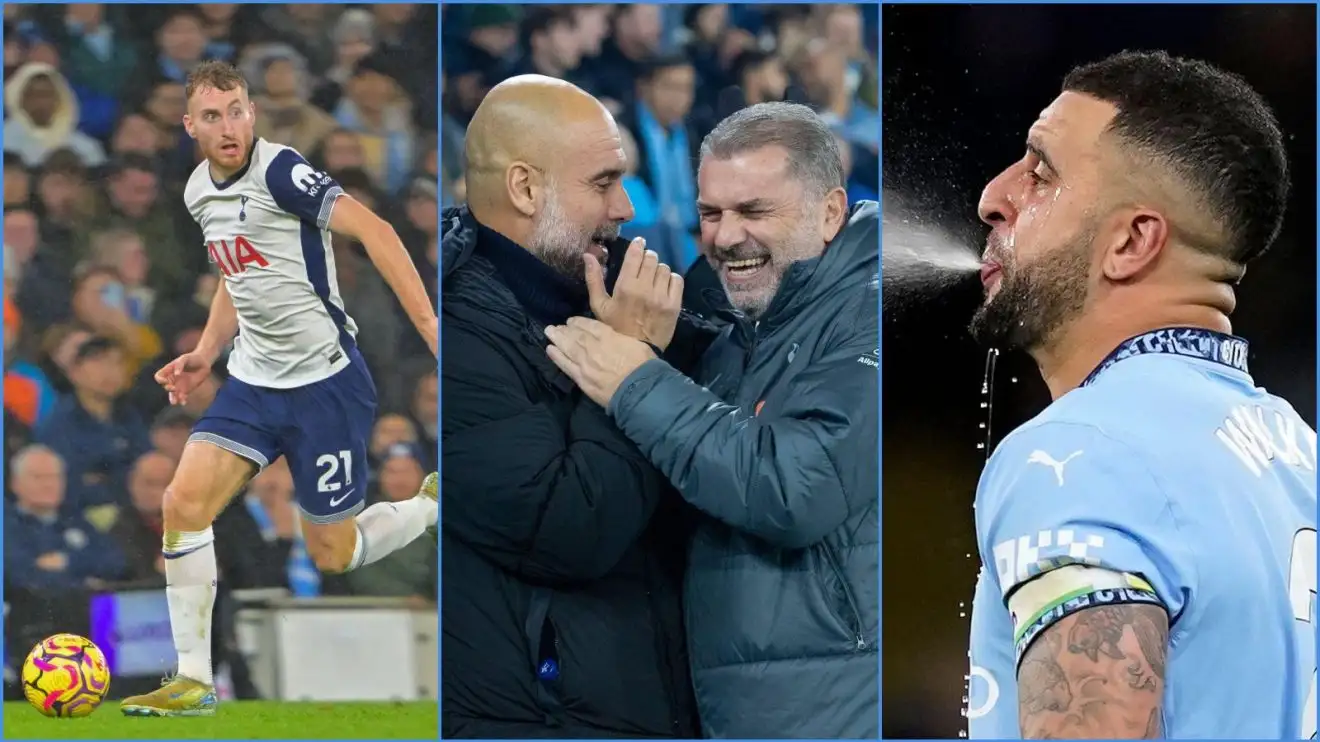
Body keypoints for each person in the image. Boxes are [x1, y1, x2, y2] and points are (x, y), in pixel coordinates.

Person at [960, 51, 1312, 738]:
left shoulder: (1083, 451)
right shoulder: (1298, 453)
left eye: (1041, 174)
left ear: (1131, 241)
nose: (995, 196)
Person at [544, 102, 879, 738]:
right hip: (747, 706)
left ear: (830, 212)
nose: (725, 237)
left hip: (835, 709)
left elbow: (794, 488)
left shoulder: (873, 314)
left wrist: (635, 380)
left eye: (754, 211)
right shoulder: (739, 336)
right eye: (710, 213)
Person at [119, 60, 439, 717]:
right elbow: (239, 281)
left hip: (326, 384)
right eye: (212, 115)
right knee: (182, 504)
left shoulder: (283, 171)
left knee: (334, 553)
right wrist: (208, 353)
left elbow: (376, 231)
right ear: (190, 126)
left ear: (252, 114)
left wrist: (434, 328)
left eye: (237, 110)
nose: (228, 125)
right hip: (254, 384)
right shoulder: (197, 193)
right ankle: (193, 681)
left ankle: (430, 507)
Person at [440, 75, 699, 738]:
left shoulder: (589, 295)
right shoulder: (453, 336)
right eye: (603, 182)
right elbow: (566, 529)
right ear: (525, 188)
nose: (626, 208)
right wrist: (630, 358)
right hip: (533, 718)